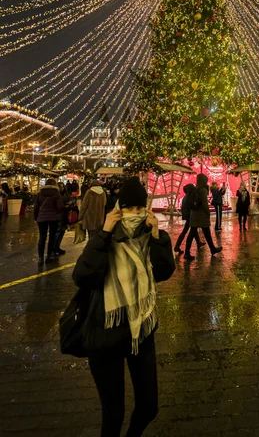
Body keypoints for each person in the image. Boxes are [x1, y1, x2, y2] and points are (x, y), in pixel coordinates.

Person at [72, 177, 170, 437]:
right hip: (105, 334)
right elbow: (83, 277)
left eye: (139, 208)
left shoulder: (152, 237)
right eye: (129, 208)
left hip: (143, 332)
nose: (135, 215)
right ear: (118, 209)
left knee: (149, 407)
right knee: (113, 414)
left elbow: (164, 272)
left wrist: (157, 235)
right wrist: (104, 233)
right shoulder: (105, 239)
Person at [184, 173, 222, 261]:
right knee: (204, 233)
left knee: (194, 233)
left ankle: (188, 252)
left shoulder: (196, 189)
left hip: (194, 215)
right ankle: (187, 253)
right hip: (201, 215)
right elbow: (205, 204)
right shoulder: (203, 190)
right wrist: (208, 213)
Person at [34, 178, 65, 265]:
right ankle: (49, 256)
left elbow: (36, 207)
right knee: (52, 237)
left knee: (42, 237)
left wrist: (35, 218)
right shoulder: (56, 193)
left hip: (41, 218)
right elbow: (60, 206)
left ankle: (40, 258)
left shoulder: (40, 194)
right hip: (53, 218)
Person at [174, 184, 205, 254]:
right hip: (189, 216)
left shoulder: (186, 196)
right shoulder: (189, 197)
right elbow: (193, 206)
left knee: (193, 229)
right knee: (188, 231)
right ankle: (178, 247)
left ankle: (198, 242)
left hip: (187, 215)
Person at [54, 182, 71, 256]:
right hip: (57, 215)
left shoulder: (65, 194)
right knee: (57, 233)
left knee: (62, 232)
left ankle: (57, 247)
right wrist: (65, 206)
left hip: (64, 215)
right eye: (60, 187)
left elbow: (68, 200)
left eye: (63, 187)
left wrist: (69, 203)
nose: (62, 188)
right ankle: (53, 248)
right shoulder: (56, 195)